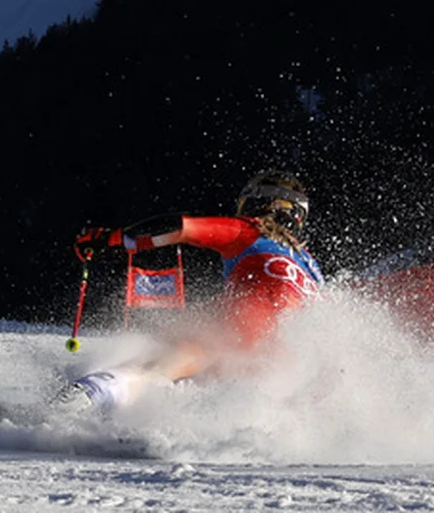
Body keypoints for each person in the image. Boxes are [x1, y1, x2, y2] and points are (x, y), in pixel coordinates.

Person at [62, 168, 323, 414]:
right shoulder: (313, 271)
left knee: (172, 354)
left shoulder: (250, 232)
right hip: (281, 362)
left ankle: (93, 393)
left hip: (243, 324)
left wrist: (115, 239)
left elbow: (181, 228)